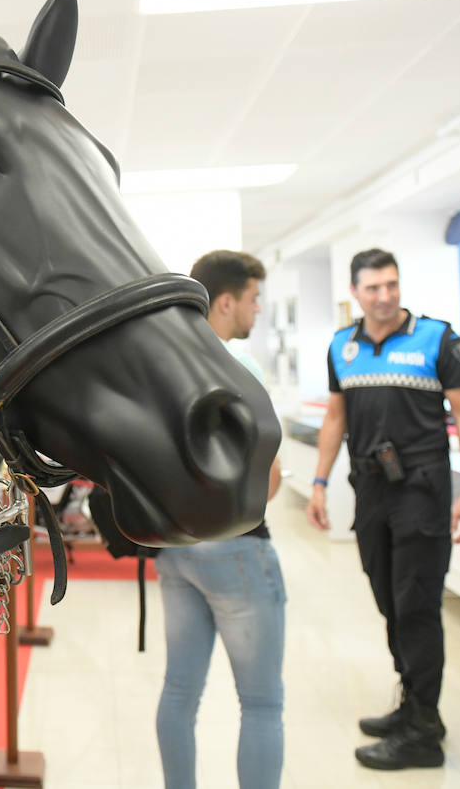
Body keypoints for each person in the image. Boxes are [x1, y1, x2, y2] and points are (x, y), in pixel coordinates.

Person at [307, 247, 460, 771]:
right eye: (373, 288)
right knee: (387, 598)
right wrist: (319, 482)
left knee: (416, 606)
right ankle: (413, 703)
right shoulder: (343, 345)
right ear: (355, 293)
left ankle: (423, 732)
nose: (385, 296)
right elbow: (336, 418)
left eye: (392, 285)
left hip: (423, 489)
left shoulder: (437, 338)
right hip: (372, 489)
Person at [156, 249, 285, 789]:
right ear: (226, 301)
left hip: (174, 548)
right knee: (260, 705)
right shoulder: (241, 368)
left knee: (180, 693)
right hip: (237, 550)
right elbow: (269, 480)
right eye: (254, 299)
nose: (258, 309)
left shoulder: (160, 367)